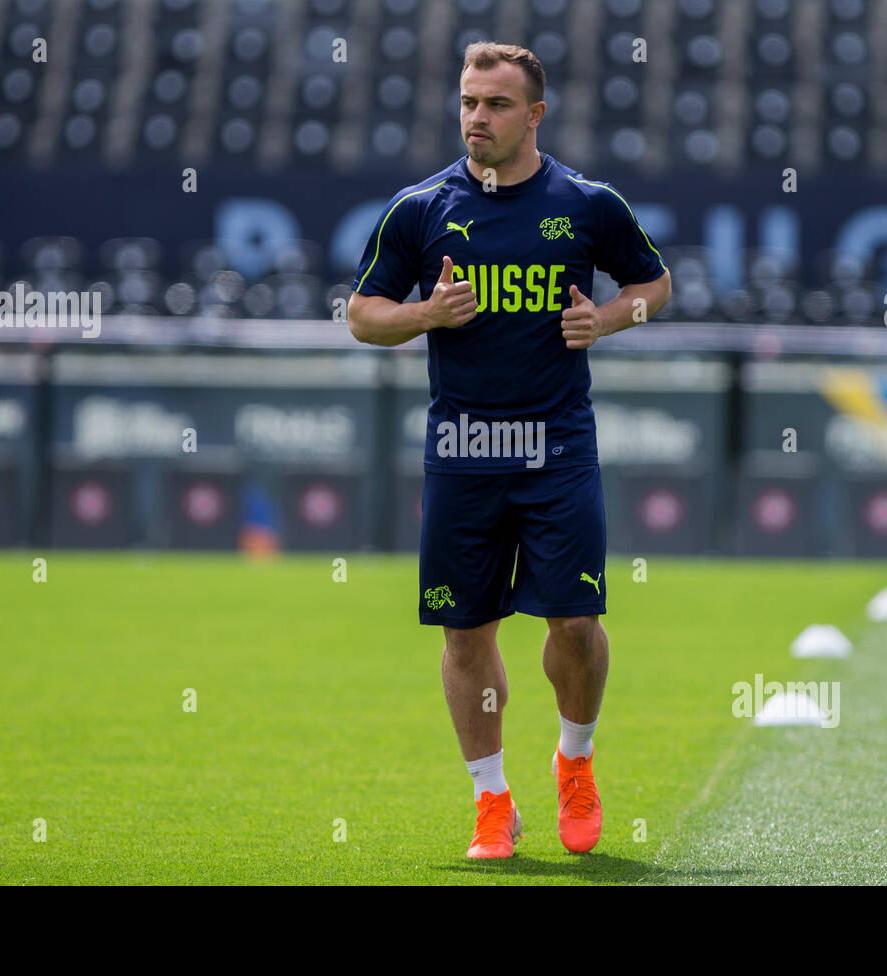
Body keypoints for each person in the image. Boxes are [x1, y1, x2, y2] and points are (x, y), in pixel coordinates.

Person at [347, 42, 671, 858]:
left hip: (558, 448)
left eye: (494, 104)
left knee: (576, 621)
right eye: (466, 102)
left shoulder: (587, 203)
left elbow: (654, 284)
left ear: (534, 114)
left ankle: (575, 760)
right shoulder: (421, 209)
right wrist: (427, 315)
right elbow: (362, 314)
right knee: (465, 635)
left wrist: (608, 319)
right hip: (462, 450)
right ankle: (493, 801)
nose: (476, 119)